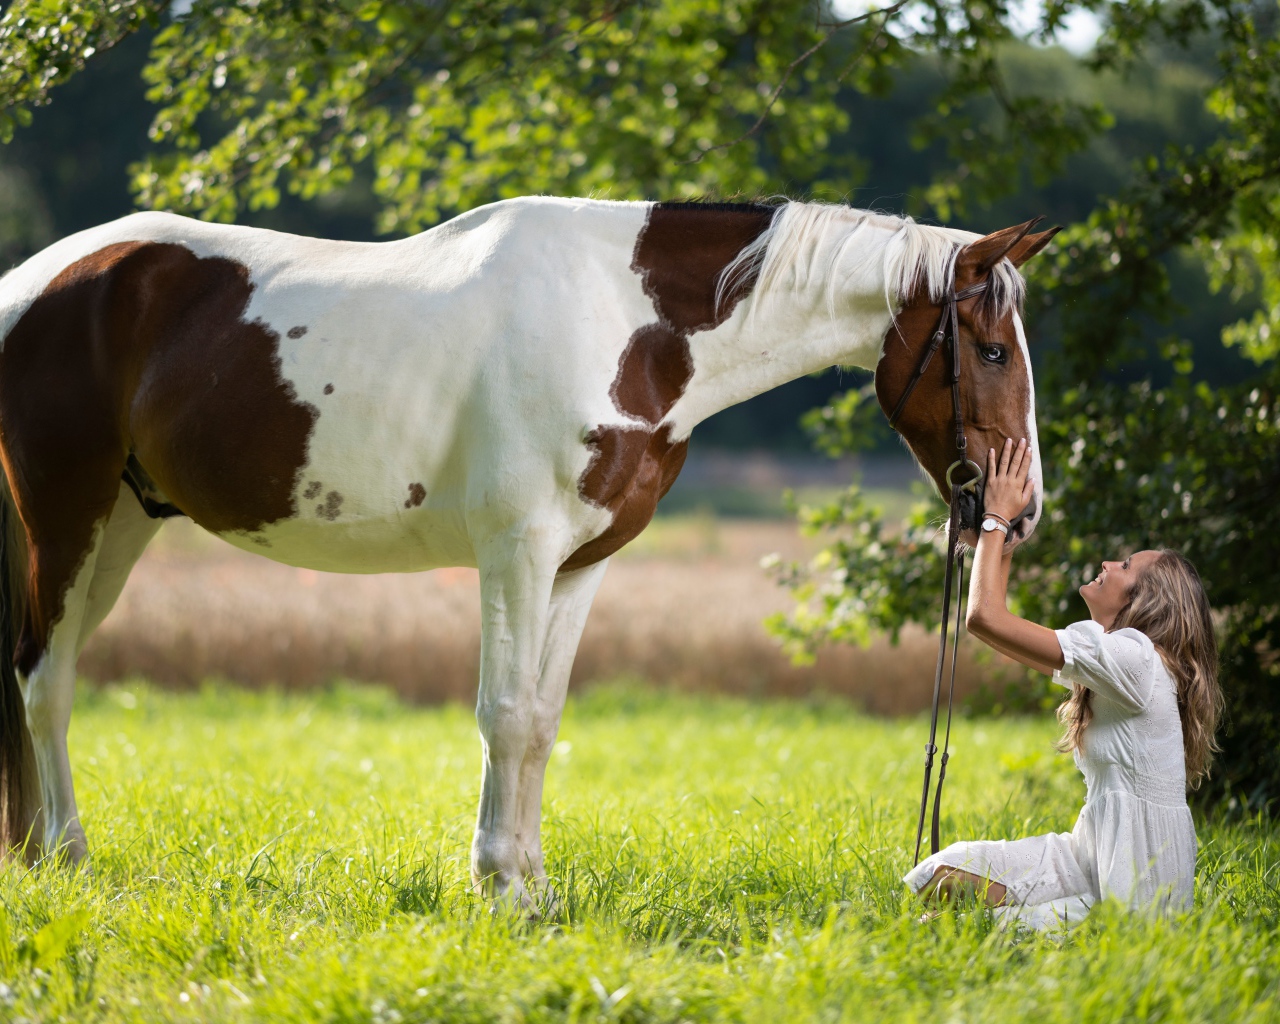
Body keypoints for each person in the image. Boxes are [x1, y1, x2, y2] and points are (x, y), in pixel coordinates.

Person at [903, 438, 1223, 930]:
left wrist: (996, 520)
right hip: (1087, 857)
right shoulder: (1124, 663)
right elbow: (997, 623)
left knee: (949, 927)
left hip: (1134, 889)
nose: (1109, 564)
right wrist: (1001, 534)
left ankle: (1053, 926)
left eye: (1127, 566)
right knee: (942, 874)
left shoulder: (1134, 658)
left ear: (1146, 600)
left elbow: (984, 619)